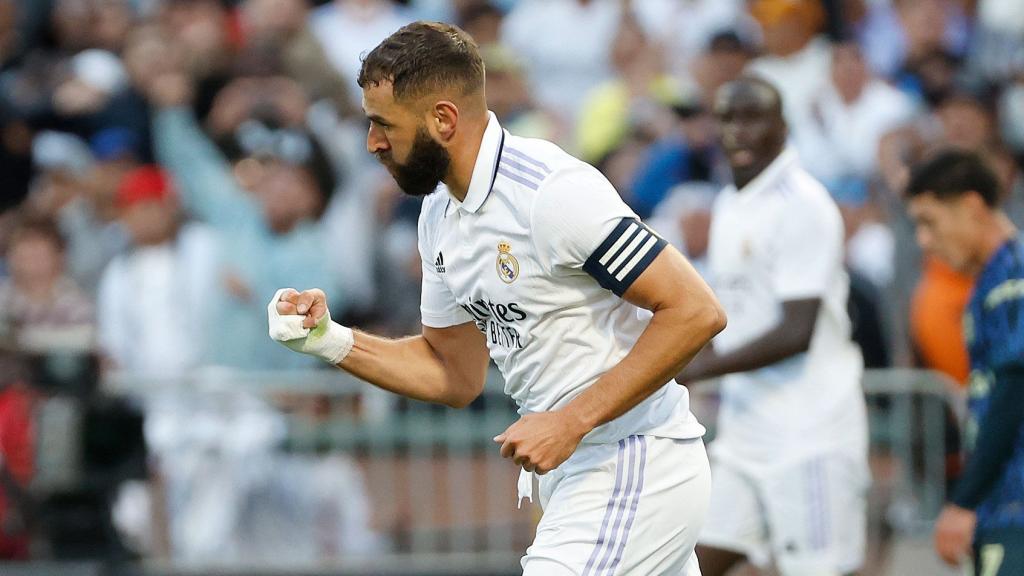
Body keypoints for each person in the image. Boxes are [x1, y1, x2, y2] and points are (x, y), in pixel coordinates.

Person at [269, 22, 726, 575]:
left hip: (633, 458)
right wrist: (329, 340)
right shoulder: (439, 215)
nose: (372, 143)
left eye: (383, 124)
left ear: (443, 118)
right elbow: (451, 373)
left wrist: (570, 421)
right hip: (573, 471)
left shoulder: (549, 192)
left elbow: (696, 310)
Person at [676, 77, 869, 576]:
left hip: (809, 433)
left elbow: (795, 331)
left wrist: (694, 370)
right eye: (727, 118)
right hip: (747, 431)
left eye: (752, 117)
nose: (738, 132)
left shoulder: (803, 203)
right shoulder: (729, 204)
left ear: (783, 126)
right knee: (691, 564)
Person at [905, 150, 1024, 576]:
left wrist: (965, 499)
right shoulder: (989, 282)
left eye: (929, 221)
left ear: (972, 207)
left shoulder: (1014, 276)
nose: (924, 240)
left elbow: (1015, 387)